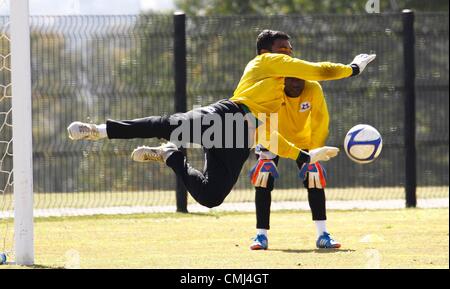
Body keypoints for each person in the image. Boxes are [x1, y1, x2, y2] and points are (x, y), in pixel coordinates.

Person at [67, 29, 376, 210]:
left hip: (240, 137)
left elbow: (267, 136)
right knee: (169, 124)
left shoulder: (281, 93)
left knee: (211, 197)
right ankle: (99, 130)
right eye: (285, 50)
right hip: (225, 117)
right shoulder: (267, 63)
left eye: (291, 51)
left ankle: (171, 157)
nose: (290, 56)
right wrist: (353, 69)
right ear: (266, 52)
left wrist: (304, 155)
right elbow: (320, 70)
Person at [249, 78, 340, 250]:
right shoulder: (272, 88)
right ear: (283, 79)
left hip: (303, 139)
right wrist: (264, 143)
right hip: (273, 137)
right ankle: (261, 236)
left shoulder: (313, 88)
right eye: (291, 79)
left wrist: (316, 150)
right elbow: (261, 116)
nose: (297, 83)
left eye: (300, 78)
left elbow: (320, 121)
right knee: (263, 177)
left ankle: (323, 234)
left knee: (315, 176)